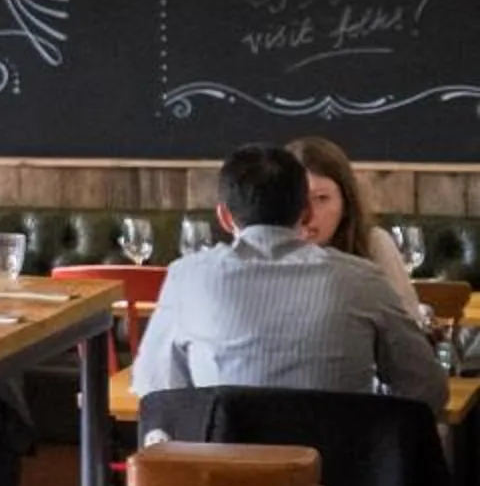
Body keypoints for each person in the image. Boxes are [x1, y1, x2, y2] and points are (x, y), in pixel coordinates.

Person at [132, 143, 447, 415]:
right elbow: (428, 390)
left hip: (222, 463)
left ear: (225, 218)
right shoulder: (362, 278)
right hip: (338, 464)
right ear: (305, 212)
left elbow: (155, 390)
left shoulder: (187, 277)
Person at [292, 134, 414, 295]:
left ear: (346, 202)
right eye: (297, 198)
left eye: (321, 198)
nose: (307, 214)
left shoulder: (373, 244)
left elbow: (404, 309)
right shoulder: (263, 252)